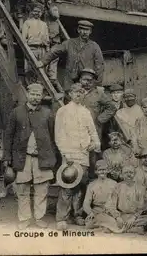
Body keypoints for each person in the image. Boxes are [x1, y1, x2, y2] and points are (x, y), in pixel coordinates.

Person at [3, 83, 57, 229]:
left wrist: (53, 156)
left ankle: (39, 218)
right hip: (22, 157)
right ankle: (25, 218)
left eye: (38, 95)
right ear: (27, 95)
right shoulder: (16, 112)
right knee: (22, 189)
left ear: (41, 96)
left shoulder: (47, 113)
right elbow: (8, 136)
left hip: (43, 157)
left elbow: (53, 136)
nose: (35, 97)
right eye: (32, 94)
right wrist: (7, 158)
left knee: (42, 189)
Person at [55, 83, 101, 230]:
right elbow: (59, 135)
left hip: (83, 154)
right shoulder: (63, 111)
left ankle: (78, 215)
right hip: (70, 154)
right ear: (70, 93)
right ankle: (62, 218)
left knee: (81, 186)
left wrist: (95, 143)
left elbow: (92, 131)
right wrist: (65, 153)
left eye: (81, 92)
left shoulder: (85, 112)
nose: (78, 95)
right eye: (75, 92)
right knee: (67, 185)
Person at [38, 20, 104, 91]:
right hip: (70, 78)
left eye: (87, 30)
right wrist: (42, 61)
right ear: (78, 30)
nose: (85, 32)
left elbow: (99, 66)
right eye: (82, 29)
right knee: (69, 96)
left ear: (90, 31)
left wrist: (97, 83)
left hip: (85, 79)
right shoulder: (70, 43)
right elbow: (55, 50)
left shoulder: (94, 46)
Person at [78, 68, 117, 179]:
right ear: (80, 80)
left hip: (94, 130)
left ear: (94, 81)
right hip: (78, 130)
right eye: (85, 80)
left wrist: (99, 120)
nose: (87, 83)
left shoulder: (99, 94)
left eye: (90, 80)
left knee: (93, 157)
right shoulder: (76, 92)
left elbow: (111, 107)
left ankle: (92, 181)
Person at [102, 165, 147, 234]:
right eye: (126, 172)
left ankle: (118, 228)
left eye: (131, 172)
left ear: (134, 174)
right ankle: (133, 229)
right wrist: (117, 217)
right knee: (105, 216)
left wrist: (133, 217)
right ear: (122, 174)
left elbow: (142, 207)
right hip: (121, 215)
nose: (128, 175)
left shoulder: (141, 188)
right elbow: (111, 205)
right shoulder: (117, 186)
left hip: (135, 217)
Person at [83, 160, 118, 229]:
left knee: (114, 221)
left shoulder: (114, 184)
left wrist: (111, 211)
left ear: (108, 170)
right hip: (96, 211)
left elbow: (115, 201)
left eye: (104, 169)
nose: (102, 172)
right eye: (100, 170)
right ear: (96, 171)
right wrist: (90, 213)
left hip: (110, 211)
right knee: (88, 224)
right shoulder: (91, 185)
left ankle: (104, 224)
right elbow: (86, 203)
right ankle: (105, 225)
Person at [21, 2, 50, 86]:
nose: (37, 13)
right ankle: (29, 85)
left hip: (42, 49)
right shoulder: (27, 22)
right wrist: (26, 49)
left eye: (39, 11)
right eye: (35, 11)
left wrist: (47, 49)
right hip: (31, 48)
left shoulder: (44, 24)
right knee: (30, 68)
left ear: (41, 13)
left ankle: (40, 85)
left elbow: (47, 38)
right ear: (32, 12)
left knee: (42, 68)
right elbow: (24, 38)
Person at [44, 5, 64, 93]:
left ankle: (52, 77)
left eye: (57, 10)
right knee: (47, 58)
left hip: (56, 43)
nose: (56, 12)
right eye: (54, 10)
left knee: (54, 60)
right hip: (48, 42)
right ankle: (45, 77)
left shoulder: (57, 22)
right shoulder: (46, 20)